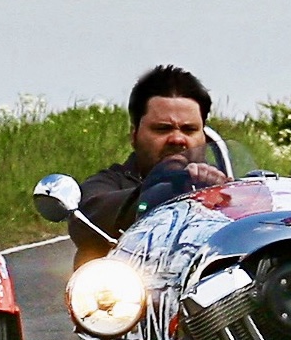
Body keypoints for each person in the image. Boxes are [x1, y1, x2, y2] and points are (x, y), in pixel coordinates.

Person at [70, 65, 230, 266]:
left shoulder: (228, 186)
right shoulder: (110, 183)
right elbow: (87, 217)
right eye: (162, 129)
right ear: (134, 135)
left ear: (204, 137)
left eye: (189, 130)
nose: (177, 139)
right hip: (131, 292)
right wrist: (163, 188)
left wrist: (227, 196)